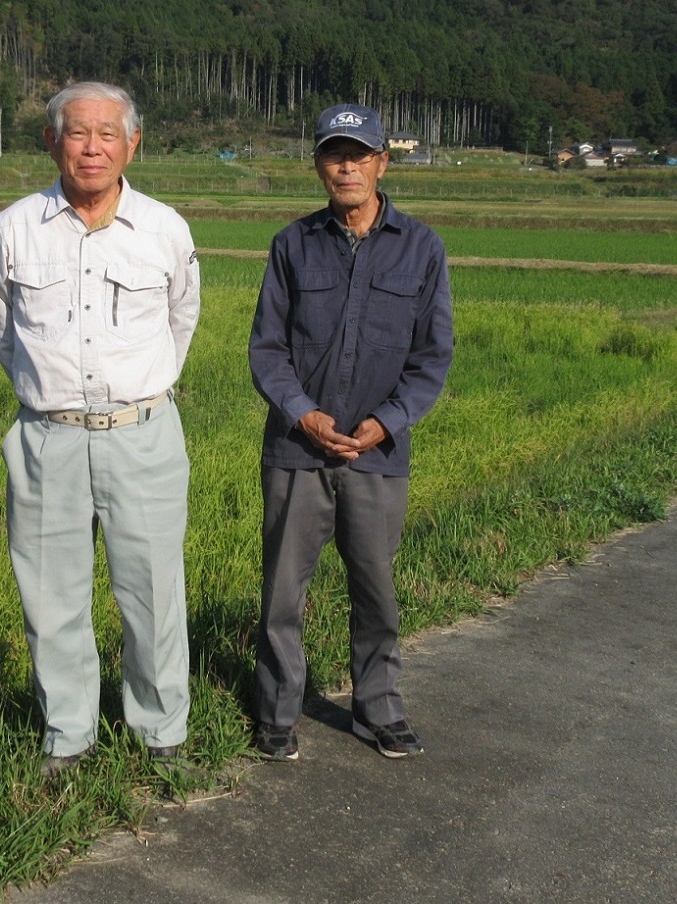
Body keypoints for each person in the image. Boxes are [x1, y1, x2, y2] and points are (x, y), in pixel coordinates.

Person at [0, 81, 200, 778]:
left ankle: (160, 728)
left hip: (142, 431)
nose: (92, 148)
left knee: (153, 589)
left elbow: (181, 319)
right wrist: (54, 398)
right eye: (77, 133)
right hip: (47, 435)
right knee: (51, 595)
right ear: (51, 141)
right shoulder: (15, 226)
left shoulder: (164, 228)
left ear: (133, 144)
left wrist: (137, 391)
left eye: (108, 134)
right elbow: (4, 331)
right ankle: (67, 734)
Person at [248, 104, 453, 761]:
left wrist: (383, 422)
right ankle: (276, 713)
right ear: (318, 165)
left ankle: (379, 708)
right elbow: (267, 350)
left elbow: (431, 358)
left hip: (377, 455)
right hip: (296, 451)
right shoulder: (292, 244)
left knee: (375, 592)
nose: (346, 167)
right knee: (282, 593)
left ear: (381, 163)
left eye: (359, 155)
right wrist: (304, 414)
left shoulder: (421, 248)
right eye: (334, 154)